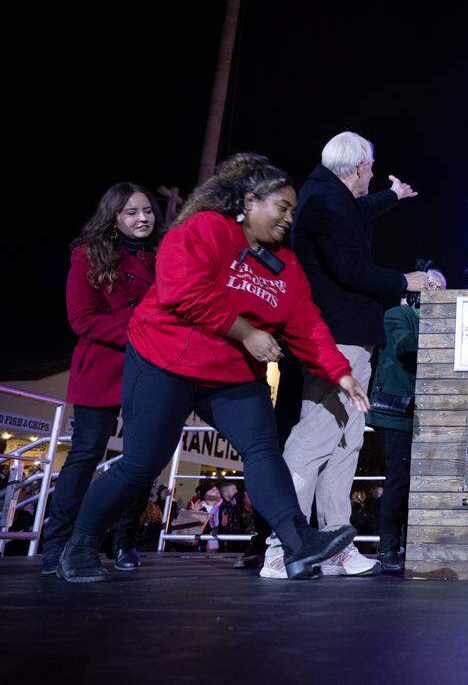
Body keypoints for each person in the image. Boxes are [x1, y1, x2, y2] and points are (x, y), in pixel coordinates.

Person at [55, 153, 369, 583]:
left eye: (292, 211)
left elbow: (306, 323)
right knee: (142, 464)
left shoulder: (285, 265)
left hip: (230, 375)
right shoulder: (204, 229)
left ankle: (298, 544)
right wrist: (248, 334)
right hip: (165, 361)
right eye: (282, 207)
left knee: (262, 450)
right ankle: (81, 544)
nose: (288, 218)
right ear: (249, 200)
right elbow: (183, 291)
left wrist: (340, 372)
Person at [258, 132, 428, 580]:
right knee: (315, 436)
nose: (371, 177)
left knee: (346, 440)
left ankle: (334, 542)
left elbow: (360, 210)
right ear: (355, 169)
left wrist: (391, 195)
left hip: (351, 338)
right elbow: (350, 268)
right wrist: (404, 281)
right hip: (336, 339)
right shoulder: (327, 203)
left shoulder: (330, 195)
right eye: (370, 170)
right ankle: (284, 544)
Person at [41, 182, 161, 575]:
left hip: (149, 369)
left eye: (147, 210)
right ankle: (56, 543)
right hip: (103, 366)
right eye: (131, 212)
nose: (142, 218)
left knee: (143, 461)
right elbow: (82, 319)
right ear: (113, 216)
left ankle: (123, 542)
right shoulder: (88, 254)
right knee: (86, 453)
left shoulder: (164, 257)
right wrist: (139, 329)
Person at [367, 270, 446, 572]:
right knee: (398, 477)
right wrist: (439, 320)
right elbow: (403, 347)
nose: (433, 292)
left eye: (439, 288)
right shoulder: (398, 314)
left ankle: (408, 542)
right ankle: (388, 548)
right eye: (429, 286)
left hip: (426, 413)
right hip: (397, 409)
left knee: (419, 480)